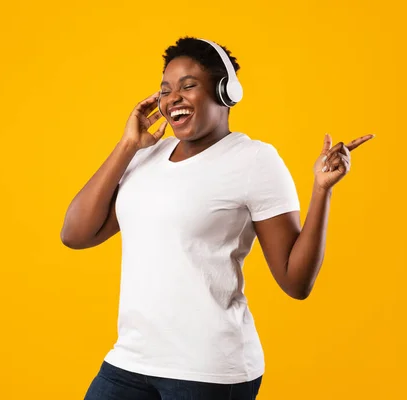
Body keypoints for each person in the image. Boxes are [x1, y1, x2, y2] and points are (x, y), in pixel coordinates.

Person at [61, 36, 374, 400]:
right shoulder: (147, 157)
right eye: (165, 90)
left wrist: (322, 191)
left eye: (188, 86)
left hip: (207, 371)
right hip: (132, 360)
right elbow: (75, 234)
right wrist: (127, 145)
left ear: (226, 93)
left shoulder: (254, 160)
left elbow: (295, 282)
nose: (172, 98)